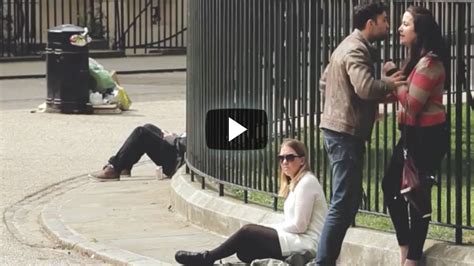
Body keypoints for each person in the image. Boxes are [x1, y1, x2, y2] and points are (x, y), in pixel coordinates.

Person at [315, 2, 407, 265]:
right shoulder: (356, 49)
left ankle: (326, 259)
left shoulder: (347, 44)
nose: (388, 25)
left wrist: (350, 105)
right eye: (384, 20)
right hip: (344, 134)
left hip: (340, 131)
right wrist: (390, 82)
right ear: (370, 23)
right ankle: (323, 261)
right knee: (343, 202)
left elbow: (325, 82)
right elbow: (366, 87)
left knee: (348, 201)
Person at [174, 139, 328, 265]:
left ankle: (207, 258)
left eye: (290, 157)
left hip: (307, 242)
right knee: (245, 251)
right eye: (281, 158)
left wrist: (267, 229)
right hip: (296, 238)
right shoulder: (296, 183)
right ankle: (291, 260)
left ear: (302, 160)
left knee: (248, 231)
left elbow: (299, 226)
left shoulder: (307, 182)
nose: (285, 162)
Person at [381, 6, 449, 266]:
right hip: (412, 135)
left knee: (417, 195)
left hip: (427, 137)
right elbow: (402, 95)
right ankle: (407, 247)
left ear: (419, 32)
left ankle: (411, 258)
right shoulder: (418, 62)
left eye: (406, 24)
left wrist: (392, 78)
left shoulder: (430, 64)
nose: (400, 28)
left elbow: (410, 106)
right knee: (391, 185)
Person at [90, 123, 186, 181]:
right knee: (148, 127)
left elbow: (186, 144)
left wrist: (172, 138)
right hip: (178, 149)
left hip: (177, 160)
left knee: (141, 133)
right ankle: (125, 166)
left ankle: (114, 168)